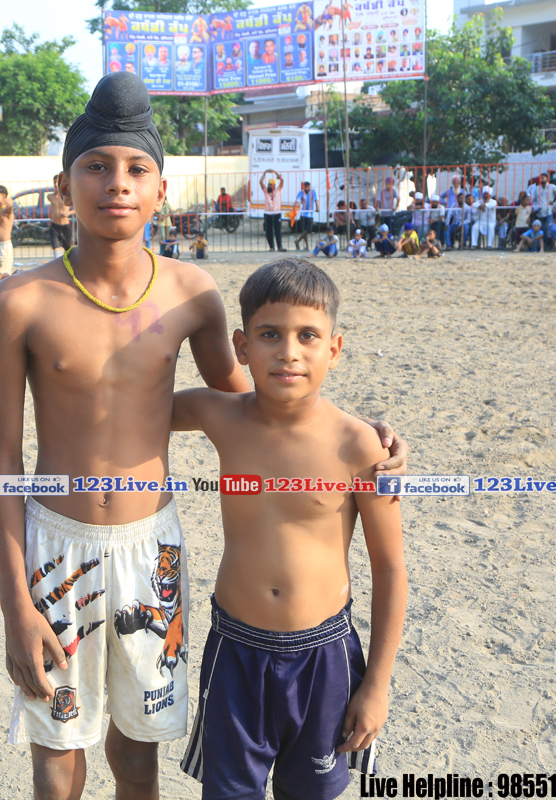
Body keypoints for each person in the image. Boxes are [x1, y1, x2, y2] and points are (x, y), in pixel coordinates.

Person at [0, 71, 410, 800]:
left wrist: (358, 435)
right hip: (57, 547)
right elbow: (3, 460)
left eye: (136, 169)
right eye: (96, 166)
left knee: (137, 754)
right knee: (56, 760)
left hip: (151, 549)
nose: (117, 184)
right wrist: (14, 604)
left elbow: (257, 401)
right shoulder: (19, 300)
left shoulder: (191, 294)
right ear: (64, 186)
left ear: (160, 190)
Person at [173, 260, 406, 799]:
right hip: (234, 651)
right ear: (242, 345)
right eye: (269, 335)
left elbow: (391, 568)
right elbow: (130, 409)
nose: (289, 352)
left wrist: (377, 685)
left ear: (334, 349)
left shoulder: (359, 445)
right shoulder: (218, 415)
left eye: (308, 336)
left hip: (324, 656)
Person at [49, 174, 76, 257]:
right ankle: (56, 261)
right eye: (54, 182)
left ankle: (68, 262)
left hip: (65, 226)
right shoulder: (50, 196)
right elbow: (53, 209)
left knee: (67, 248)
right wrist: (51, 218)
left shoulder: (68, 196)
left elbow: (77, 209)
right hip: (54, 226)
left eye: (57, 182)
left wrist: (68, 213)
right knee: (55, 247)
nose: (55, 184)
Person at [260, 169, 287, 252]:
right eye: (268, 184)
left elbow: (282, 181)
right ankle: (271, 247)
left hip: (277, 213)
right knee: (268, 231)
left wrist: (276, 173)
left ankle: (280, 247)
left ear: (274, 185)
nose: (268, 186)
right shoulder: (265, 190)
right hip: (267, 214)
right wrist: (264, 173)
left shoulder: (278, 190)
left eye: (270, 185)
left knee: (278, 231)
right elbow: (260, 182)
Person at [292, 180, 318, 250]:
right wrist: (294, 208)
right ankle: (307, 246)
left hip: (310, 214)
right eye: (305, 187)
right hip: (303, 214)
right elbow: (296, 201)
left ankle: (297, 241)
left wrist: (317, 207)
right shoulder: (301, 192)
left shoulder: (313, 192)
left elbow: (316, 200)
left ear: (310, 187)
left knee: (308, 230)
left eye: (308, 186)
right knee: (304, 231)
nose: (306, 188)